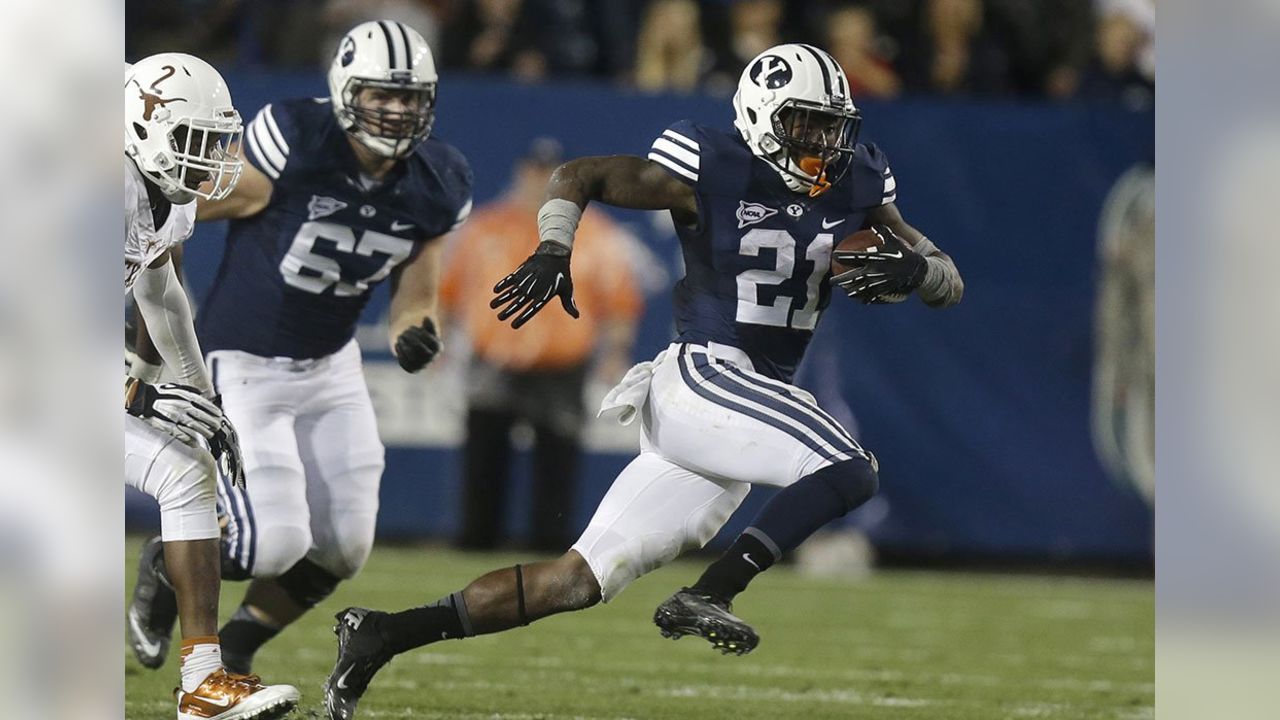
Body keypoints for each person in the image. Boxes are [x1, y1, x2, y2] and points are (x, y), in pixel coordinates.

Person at [322, 43, 964, 719]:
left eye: (831, 126)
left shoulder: (857, 181)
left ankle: (384, 634)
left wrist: (922, 274)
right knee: (849, 465)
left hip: (741, 406)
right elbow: (580, 175)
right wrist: (552, 247)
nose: (821, 141)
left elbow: (946, 278)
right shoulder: (712, 166)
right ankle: (713, 591)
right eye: (804, 123)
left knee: (574, 581)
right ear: (761, 114)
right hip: (706, 376)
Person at [128, 21, 473, 676]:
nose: (398, 111)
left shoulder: (439, 180)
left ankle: (236, 647)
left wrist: (415, 333)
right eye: (382, 95)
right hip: (243, 360)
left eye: (410, 98)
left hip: (330, 366)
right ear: (346, 92)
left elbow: (416, 295)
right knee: (274, 543)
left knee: (344, 546)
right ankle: (165, 562)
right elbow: (184, 201)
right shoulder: (296, 141)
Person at [123, 53, 300, 719]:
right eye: (193, 143)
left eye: (212, 142)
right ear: (143, 130)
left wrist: (200, 395)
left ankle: (203, 682)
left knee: (188, 469)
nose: (207, 162)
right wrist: (135, 387)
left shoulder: (155, 193)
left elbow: (161, 290)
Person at [440, 138, 642, 552]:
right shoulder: (485, 227)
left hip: (562, 364)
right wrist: (439, 342)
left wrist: (615, 353)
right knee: (483, 460)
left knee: (557, 462)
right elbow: (449, 291)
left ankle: (549, 549)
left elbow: (620, 301)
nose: (541, 183)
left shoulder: (597, 233)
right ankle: (475, 544)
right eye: (534, 173)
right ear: (520, 175)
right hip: (493, 358)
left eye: (551, 175)